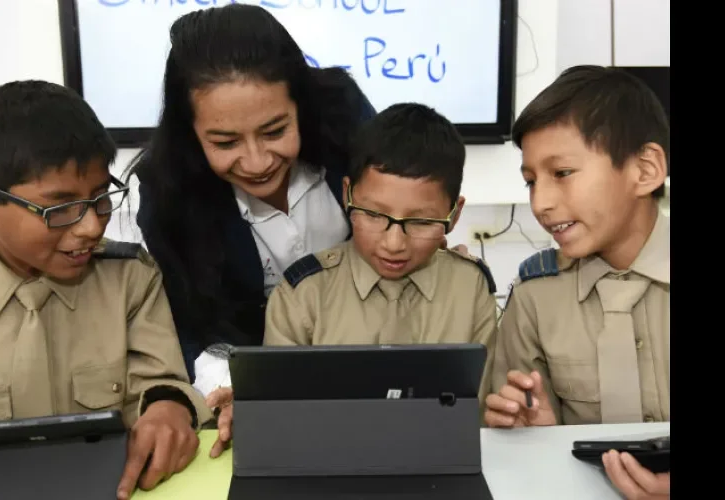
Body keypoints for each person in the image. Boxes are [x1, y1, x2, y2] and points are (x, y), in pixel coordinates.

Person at [128, 4, 462, 396]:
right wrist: (240, 389)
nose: (257, 162)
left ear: (302, 105)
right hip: (257, 373)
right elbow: (187, 326)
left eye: (275, 130)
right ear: (191, 135)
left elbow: (402, 197)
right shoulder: (167, 194)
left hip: (376, 349)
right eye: (225, 142)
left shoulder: (344, 116)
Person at [0, 80, 211, 500]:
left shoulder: (129, 279)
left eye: (100, 198)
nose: (91, 226)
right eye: (59, 209)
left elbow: (160, 383)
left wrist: (169, 409)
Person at [207, 102, 499, 458]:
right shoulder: (303, 294)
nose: (394, 243)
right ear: (347, 194)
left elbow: (483, 415)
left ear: (454, 216)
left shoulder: (471, 290)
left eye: (421, 222)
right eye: (374, 215)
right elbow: (280, 413)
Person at [483, 66, 670, 499]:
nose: (541, 203)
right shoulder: (535, 296)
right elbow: (521, 465)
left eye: (562, 173)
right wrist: (537, 438)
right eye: (530, 181)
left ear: (645, 170)